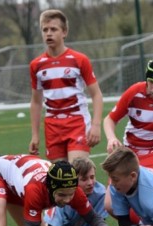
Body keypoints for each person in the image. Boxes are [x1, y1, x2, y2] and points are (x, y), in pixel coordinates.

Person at [28, 9, 103, 163]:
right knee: (61, 180)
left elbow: (96, 94)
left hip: (77, 122)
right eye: (45, 30)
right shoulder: (36, 65)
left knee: (76, 172)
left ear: (64, 32)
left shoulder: (79, 60)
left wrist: (96, 125)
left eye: (54, 29)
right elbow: (36, 101)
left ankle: (94, 187)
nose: (49, 33)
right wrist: (35, 135)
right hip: (52, 126)